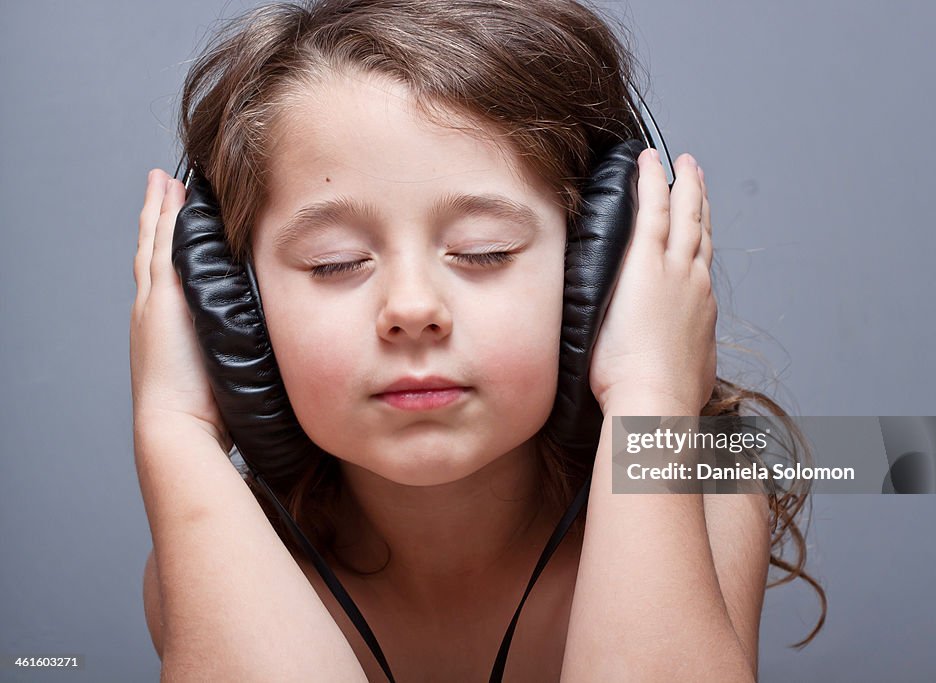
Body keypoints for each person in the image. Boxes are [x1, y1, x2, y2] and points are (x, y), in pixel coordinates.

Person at [130, 1, 824, 680]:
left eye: (484, 250)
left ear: (604, 264)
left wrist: (651, 393)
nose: (411, 308)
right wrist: (174, 428)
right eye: (334, 261)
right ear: (232, 307)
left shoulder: (707, 485)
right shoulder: (217, 545)